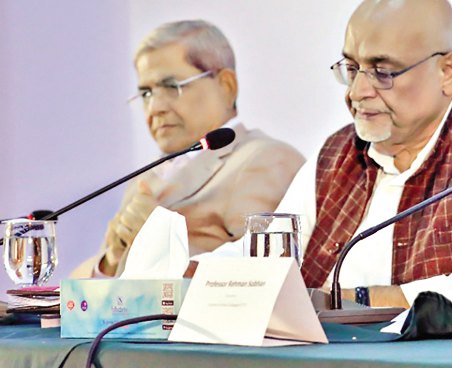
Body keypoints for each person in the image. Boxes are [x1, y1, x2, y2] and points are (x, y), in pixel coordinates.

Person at [199, 0, 452, 314]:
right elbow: (266, 260)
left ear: (447, 71)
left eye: (383, 72)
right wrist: (180, 277)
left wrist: (345, 303)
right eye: (352, 69)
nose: (356, 93)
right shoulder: (337, 152)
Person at [71, 20, 305, 277]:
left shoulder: (265, 159)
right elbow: (78, 293)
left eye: (172, 87)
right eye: (147, 93)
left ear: (226, 86)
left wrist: (159, 247)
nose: (155, 108)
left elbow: (261, 278)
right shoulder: (144, 180)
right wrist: (111, 259)